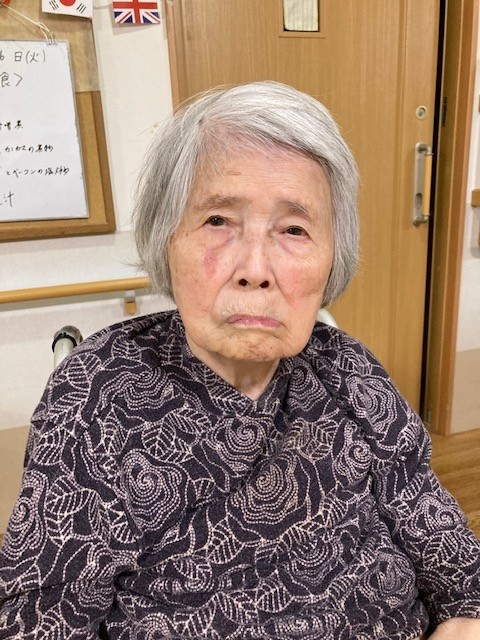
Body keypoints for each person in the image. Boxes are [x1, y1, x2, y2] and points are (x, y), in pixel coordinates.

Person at [0, 81, 479, 640]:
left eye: (294, 229)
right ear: (166, 240)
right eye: (218, 221)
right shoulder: (96, 393)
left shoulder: (349, 371)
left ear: (333, 257)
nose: (255, 269)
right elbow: (41, 619)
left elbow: (451, 556)